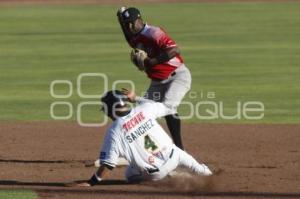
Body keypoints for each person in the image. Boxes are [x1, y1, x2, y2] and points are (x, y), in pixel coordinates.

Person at [72, 89, 212, 187]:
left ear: (110, 110)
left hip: (155, 174)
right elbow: (167, 107)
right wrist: (137, 98)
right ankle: (206, 173)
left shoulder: (114, 131)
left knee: (129, 174)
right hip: (176, 156)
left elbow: (108, 165)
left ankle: (171, 176)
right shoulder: (145, 109)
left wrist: (92, 182)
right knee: (198, 167)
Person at [117, 7, 192, 150]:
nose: (129, 26)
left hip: (177, 76)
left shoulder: (154, 32)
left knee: (168, 107)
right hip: (158, 82)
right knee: (139, 114)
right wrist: (120, 21)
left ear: (139, 19)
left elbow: (175, 50)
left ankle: (179, 150)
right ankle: (145, 150)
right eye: (126, 24)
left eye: (131, 23)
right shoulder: (134, 35)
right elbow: (128, 35)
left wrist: (151, 62)